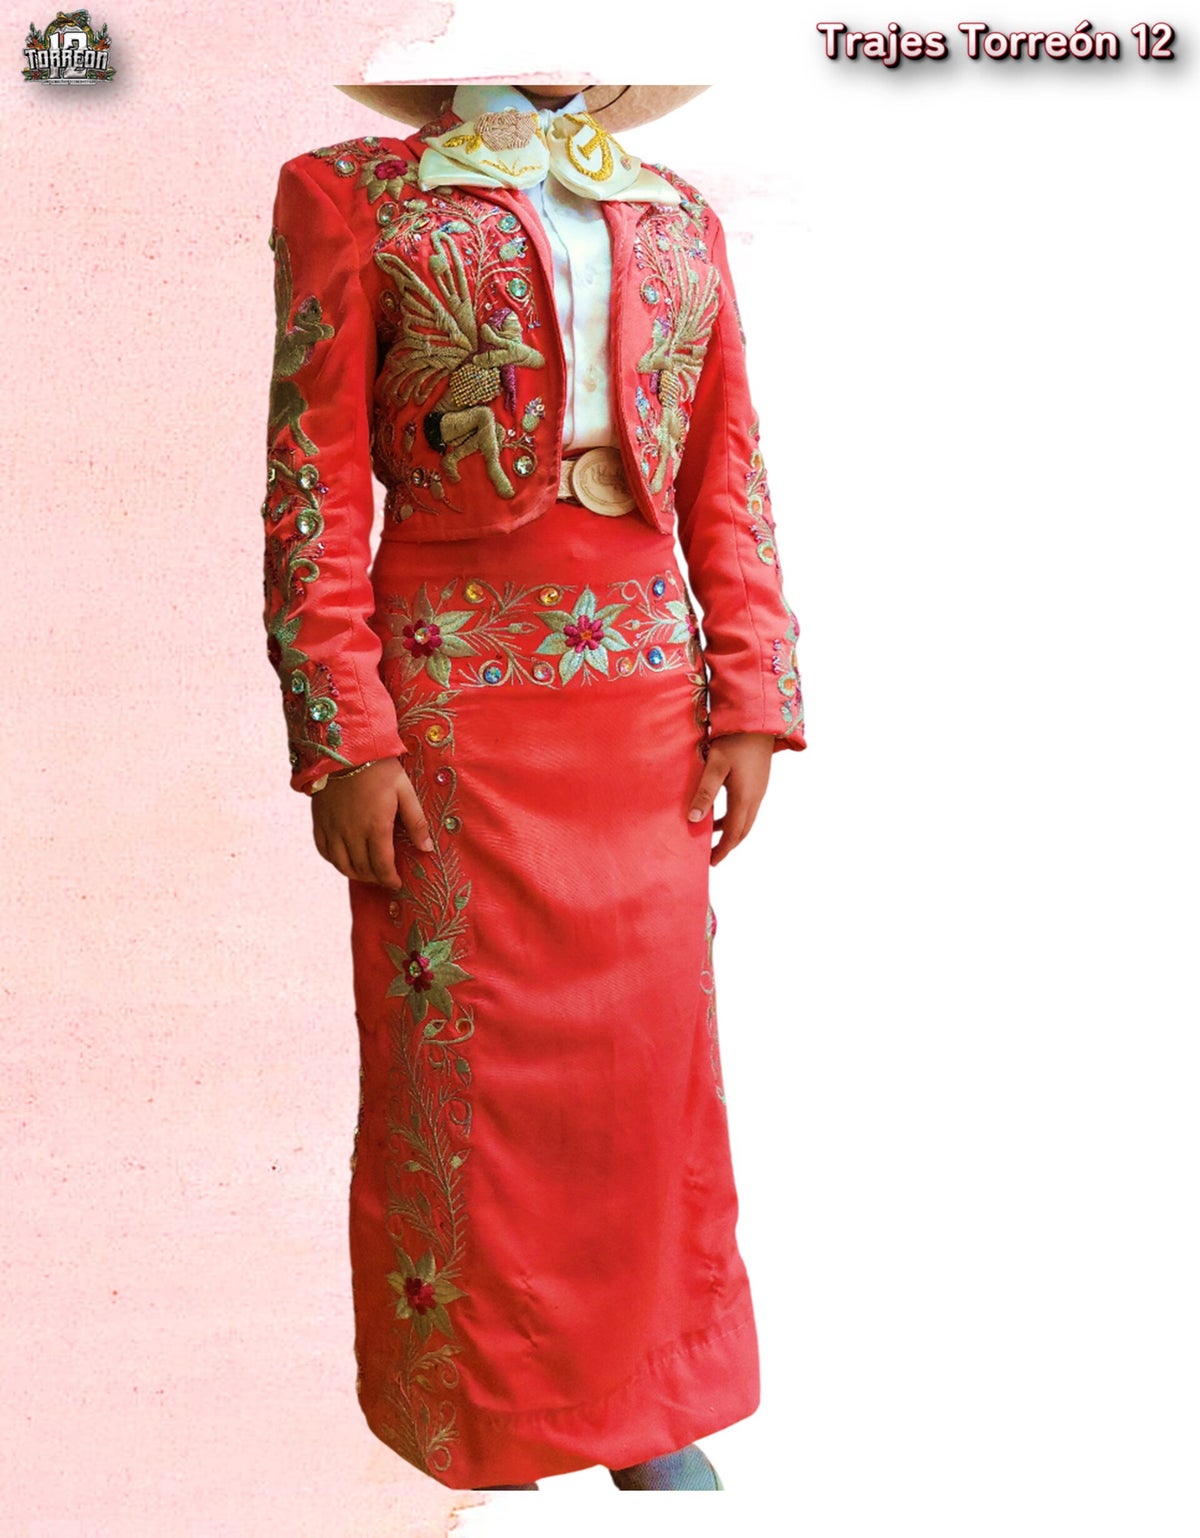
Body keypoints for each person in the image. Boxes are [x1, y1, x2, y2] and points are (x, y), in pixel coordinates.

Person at [261, 75, 806, 1493]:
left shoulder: (675, 210)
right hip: (451, 701)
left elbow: (727, 465)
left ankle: (647, 1396)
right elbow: (314, 484)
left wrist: (753, 688)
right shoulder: (351, 196)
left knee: (646, 1074)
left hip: (645, 701)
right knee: (472, 1074)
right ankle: (486, 1419)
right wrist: (347, 735)